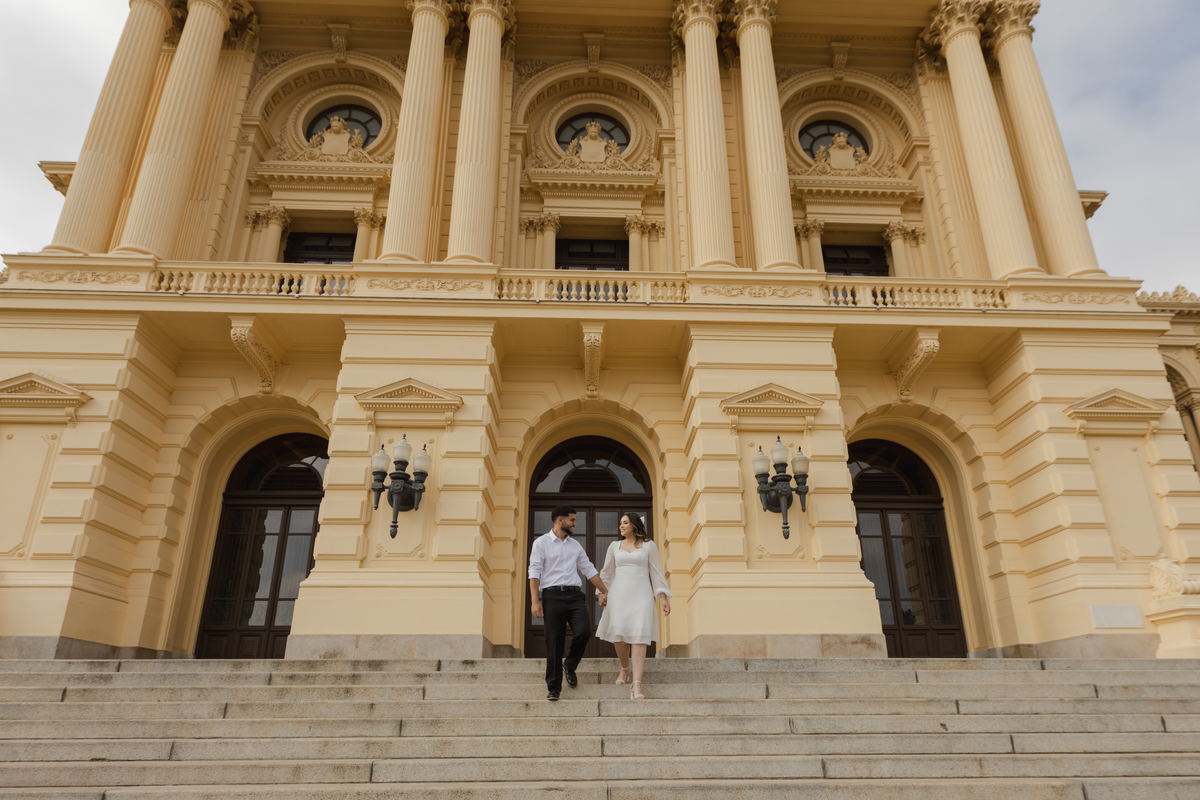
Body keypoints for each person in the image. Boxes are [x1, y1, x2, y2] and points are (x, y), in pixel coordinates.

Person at [528, 506, 608, 701]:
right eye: (572, 520)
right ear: (560, 520)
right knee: (554, 642)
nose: (575, 524)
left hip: (574, 596)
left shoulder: (575, 545)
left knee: (584, 632)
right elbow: (534, 571)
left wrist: (605, 590)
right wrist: (535, 601)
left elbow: (588, 569)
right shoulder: (541, 543)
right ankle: (554, 687)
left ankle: (570, 664)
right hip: (552, 597)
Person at [595, 513, 671, 700]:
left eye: (625, 523)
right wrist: (601, 593)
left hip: (642, 594)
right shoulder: (614, 546)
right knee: (619, 636)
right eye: (620, 523)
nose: (621, 526)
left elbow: (656, 572)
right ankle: (624, 668)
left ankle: (636, 685)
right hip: (619, 594)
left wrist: (663, 597)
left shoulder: (649, 546)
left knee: (639, 637)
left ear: (634, 525)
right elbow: (606, 572)